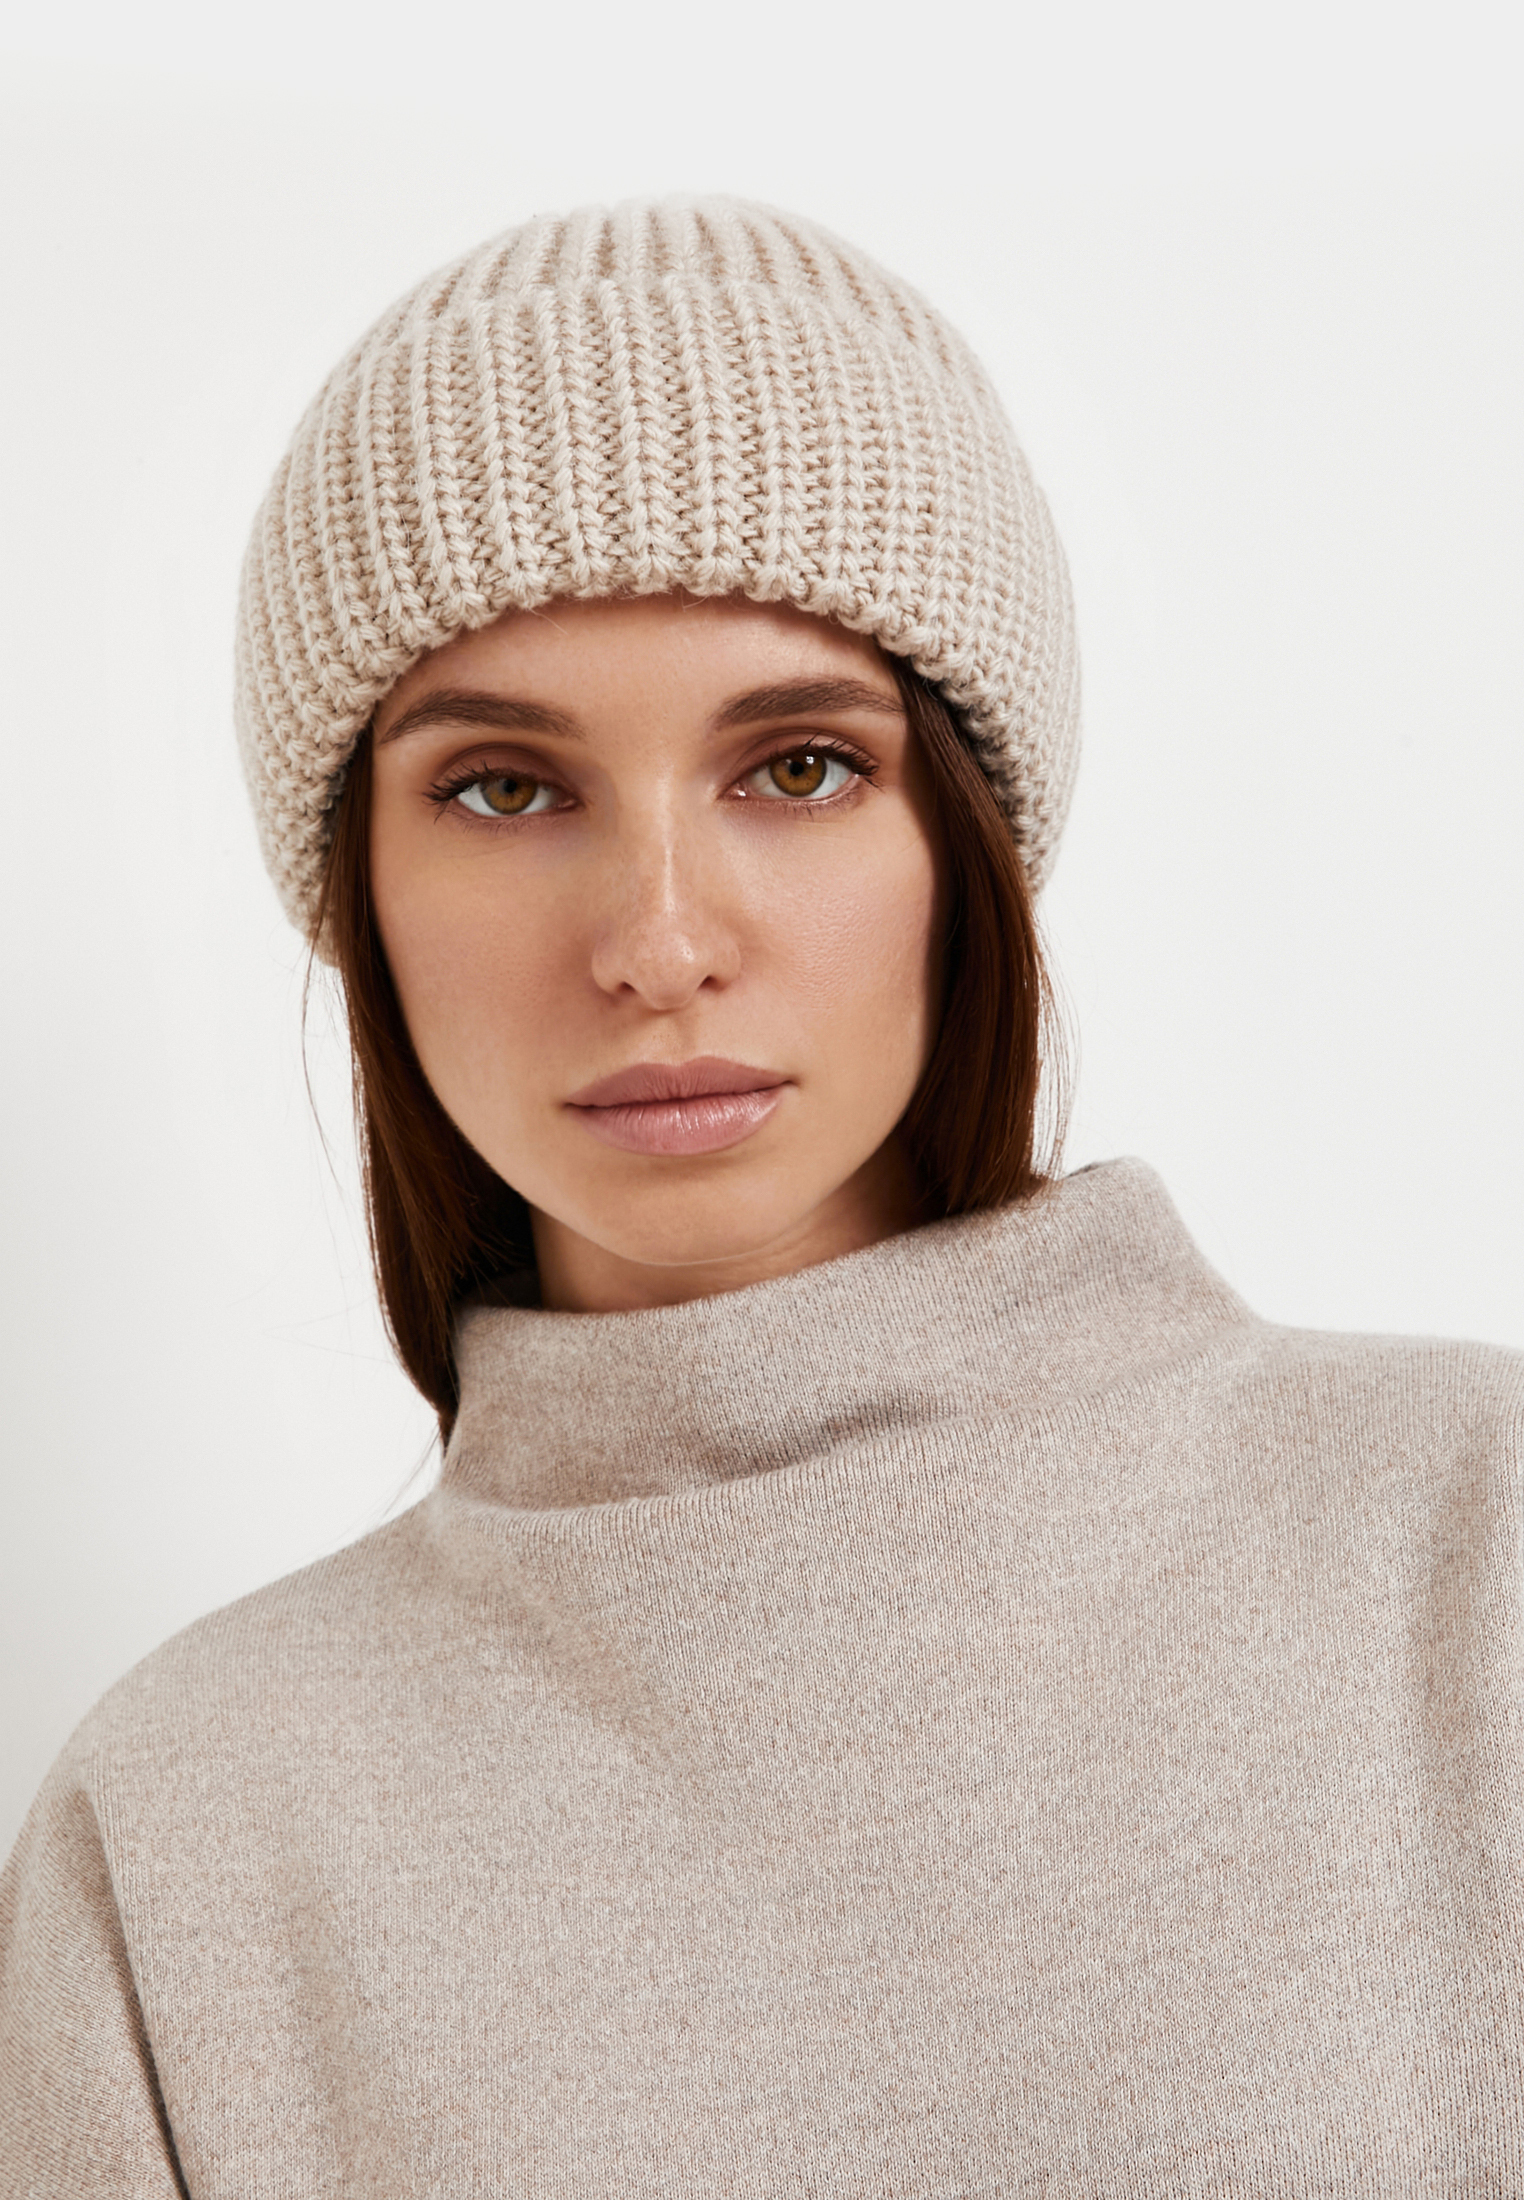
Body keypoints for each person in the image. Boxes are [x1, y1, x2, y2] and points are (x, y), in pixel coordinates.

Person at [2, 194, 1520, 2195]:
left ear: (967, 841)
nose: (657, 941)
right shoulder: (183, 1834)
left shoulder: (1467, 1548)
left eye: (798, 767)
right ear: (359, 890)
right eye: (502, 786)